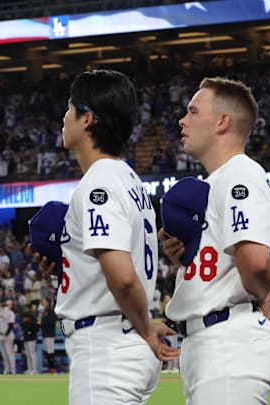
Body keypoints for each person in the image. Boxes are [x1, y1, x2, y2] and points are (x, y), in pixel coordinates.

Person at [159, 77, 270, 404]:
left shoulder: (241, 176)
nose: (183, 120)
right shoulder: (219, 181)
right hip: (211, 343)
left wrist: (261, 290)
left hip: (229, 342)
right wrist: (185, 261)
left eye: (193, 112)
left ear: (223, 122)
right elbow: (241, 266)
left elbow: (255, 262)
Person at [52, 69, 178, 404]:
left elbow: (122, 278)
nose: (64, 118)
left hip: (107, 346)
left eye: (69, 109)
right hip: (121, 337)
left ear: (88, 119)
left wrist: (146, 328)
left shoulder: (99, 182)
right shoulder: (129, 178)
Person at [0, 299, 17, 374]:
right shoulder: (1, 312)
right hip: (1, 334)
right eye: (6, 304)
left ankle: (12, 370)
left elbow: (11, 325)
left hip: (8, 335)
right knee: (4, 354)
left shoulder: (11, 313)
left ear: (11, 306)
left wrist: (5, 335)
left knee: (9, 353)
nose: (6, 306)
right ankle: (6, 369)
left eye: (8, 305)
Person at [38, 297, 58, 373]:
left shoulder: (51, 311)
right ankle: (49, 368)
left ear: (48, 303)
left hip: (50, 333)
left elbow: (53, 321)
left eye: (44, 302)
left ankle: (52, 368)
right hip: (44, 333)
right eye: (42, 302)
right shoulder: (42, 312)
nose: (43, 303)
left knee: (50, 351)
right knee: (46, 351)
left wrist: (42, 322)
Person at [21, 305, 39, 374]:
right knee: (28, 354)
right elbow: (22, 325)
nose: (25, 310)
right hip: (26, 337)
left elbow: (36, 326)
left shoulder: (32, 317)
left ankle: (34, 369)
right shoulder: (23, 316)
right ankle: (29, 368)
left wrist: (31, 331)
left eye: (26, 308)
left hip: (32, 337)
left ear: (29, 309)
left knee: (32, 354)